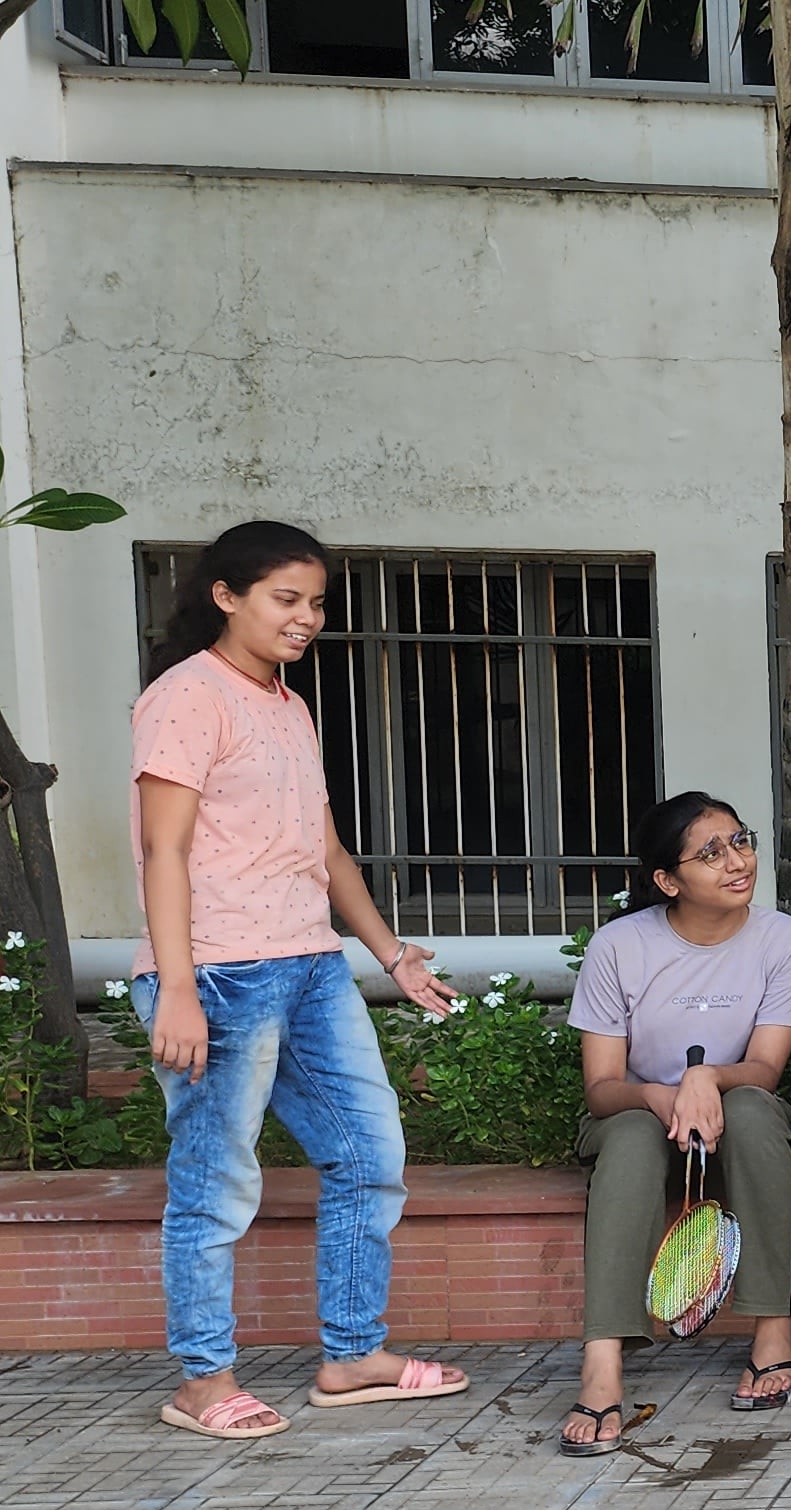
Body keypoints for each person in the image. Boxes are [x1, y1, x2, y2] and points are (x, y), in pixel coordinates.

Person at [132, 522, 469, 1440]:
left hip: (311, 967)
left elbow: (324, 852)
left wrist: (390, 952)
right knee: (214, 1182)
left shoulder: (287, 703)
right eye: (287, 599)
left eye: (317, 602)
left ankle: (354, 1353)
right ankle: (204, 1380)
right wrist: (176, 986)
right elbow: (164, 849)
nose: (307, 618)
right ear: (226, 596)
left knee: (370, 1156)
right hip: (218, 974)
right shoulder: (185, 698)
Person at [559, 792, 791, 1453]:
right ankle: (604, 1360)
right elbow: (601, 1090)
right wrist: (658, 1095)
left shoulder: (784, 938)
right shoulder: (620, 947)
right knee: (634, 1139)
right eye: (710, 853)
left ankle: (772, 1332)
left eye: (739, 841)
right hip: (639, 1117)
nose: (736, 861)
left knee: (756, 1113)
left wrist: (706, 1079)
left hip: (735, 1114)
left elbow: (763, 1069)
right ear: (667, 881)